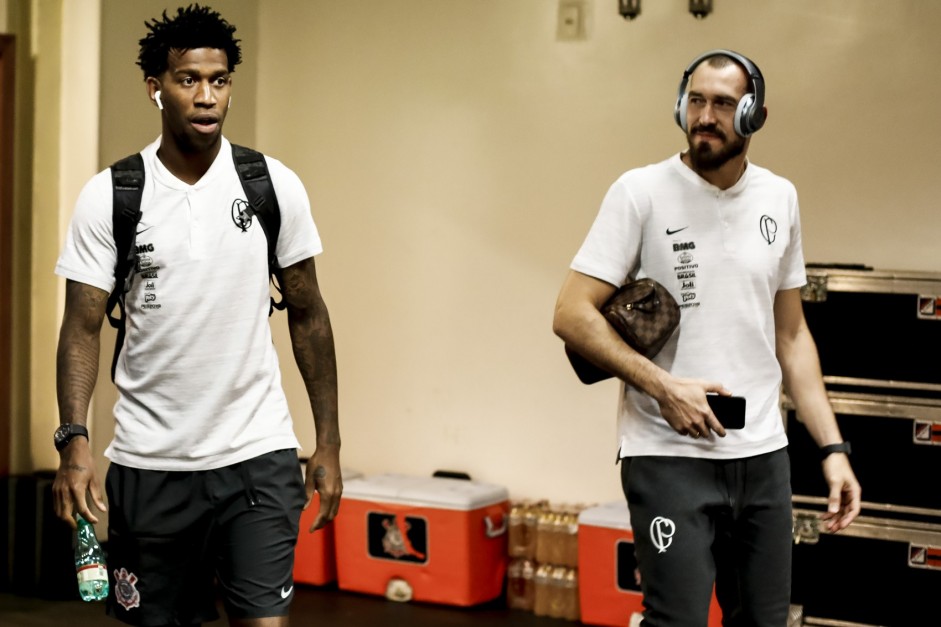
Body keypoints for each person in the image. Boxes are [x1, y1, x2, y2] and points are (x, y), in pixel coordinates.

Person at [52, 5, 341, 626]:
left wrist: (329, 441)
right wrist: (73, 442)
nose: (207, 96)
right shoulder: (112, 195)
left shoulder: (270, 185)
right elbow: (80, 327)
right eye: (189, 80)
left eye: (220, 80)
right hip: (151, 462)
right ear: (156, 88)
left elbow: (310, 316)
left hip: (257, 454)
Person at [552, 50, 861, 626]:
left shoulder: (780, 198)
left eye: (723, 103)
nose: (705, 116)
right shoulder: (639, 192)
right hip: (667, 456)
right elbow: (571, 313)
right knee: (679, 620)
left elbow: (792, 336)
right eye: (696, 100)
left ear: (753, 116)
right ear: (680, 105)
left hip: (763, 456)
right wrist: (662, 386)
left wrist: (834, 450)